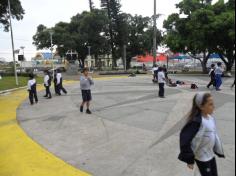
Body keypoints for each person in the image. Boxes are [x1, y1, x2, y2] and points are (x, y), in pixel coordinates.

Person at [178, 92, 225, 176]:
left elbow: (213, 134)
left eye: (213, 103)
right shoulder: (196, 121)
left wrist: (218, 149)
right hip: (202, 157)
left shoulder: (210, 118)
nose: (213, 106)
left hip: (210, 154)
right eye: (210, 104)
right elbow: (184, 140)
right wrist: (189, 160)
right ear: (201, 106)